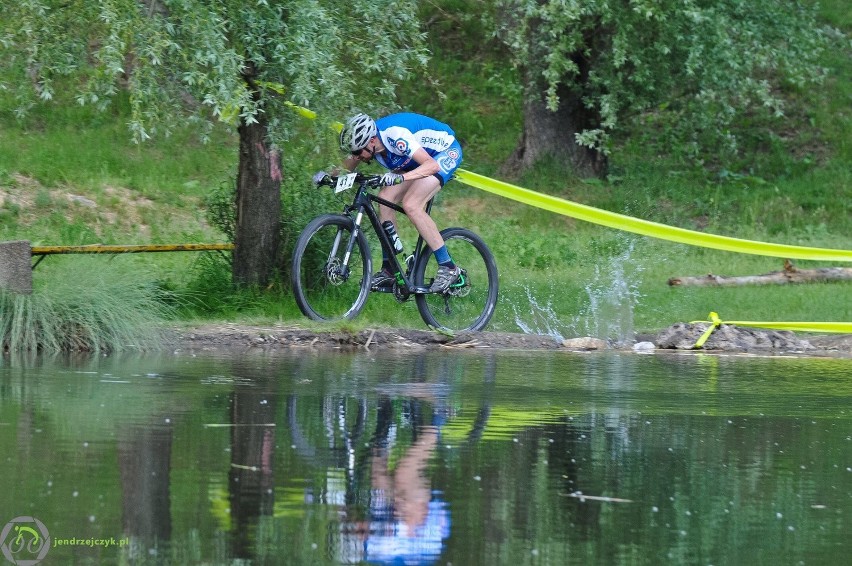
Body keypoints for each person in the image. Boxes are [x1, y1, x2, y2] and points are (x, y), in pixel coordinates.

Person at [314, 112, 463, 293]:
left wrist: (400, 179)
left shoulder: (395, 136)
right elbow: (348, 164)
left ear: (372, 141)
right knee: (384, 199)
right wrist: (328, 176)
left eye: (358, 151)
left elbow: (431, 166)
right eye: (354, 152)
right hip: (416, 161)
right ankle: (389, 269)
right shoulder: (368, 143)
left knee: (411, 205)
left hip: (443, 153)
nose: (357, 156)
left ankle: (449, 267)